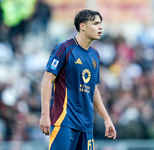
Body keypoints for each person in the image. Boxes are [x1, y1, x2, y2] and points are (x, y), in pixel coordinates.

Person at [39, 9, 117, 150]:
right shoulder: (64, 48)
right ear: (83, 26)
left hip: (86, 125)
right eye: (96, 23)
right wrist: (45, 114)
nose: (100, 27)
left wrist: (107, 118)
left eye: (101, 23)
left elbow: (92, 89)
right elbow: (47, 80)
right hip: (64, 122)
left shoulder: (95, 55)